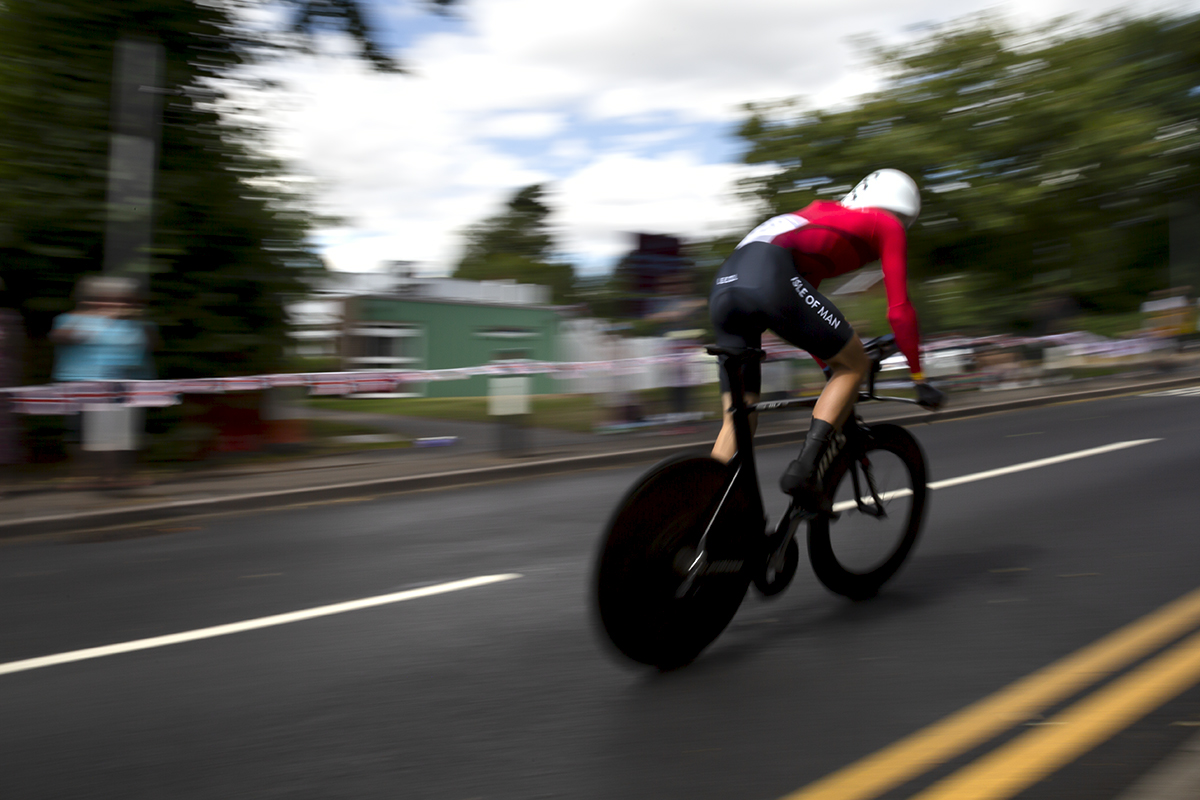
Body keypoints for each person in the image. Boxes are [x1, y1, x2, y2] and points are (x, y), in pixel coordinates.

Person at [708, 168, 944, 511]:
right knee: (855, 364)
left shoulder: (822, 217)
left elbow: (806, 316)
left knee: (739, 419)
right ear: (904, 212)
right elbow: (900, 311)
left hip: (725, 286)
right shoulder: (887, 224)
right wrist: (919, 378)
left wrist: (829, 365)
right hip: (767, 275)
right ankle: (803, 471)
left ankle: (702, 512)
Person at [49, 275, 152, 488]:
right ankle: (83, 477)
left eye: (122, 300)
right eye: (107, 299)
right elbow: (61, 337)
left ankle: (113, 477)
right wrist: (97, 322)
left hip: (117, 384)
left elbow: (141, 349)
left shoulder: (130, 324)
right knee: (79, 433)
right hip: (78, 383)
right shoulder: (71, 319)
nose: (116, 304)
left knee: (116, 434)